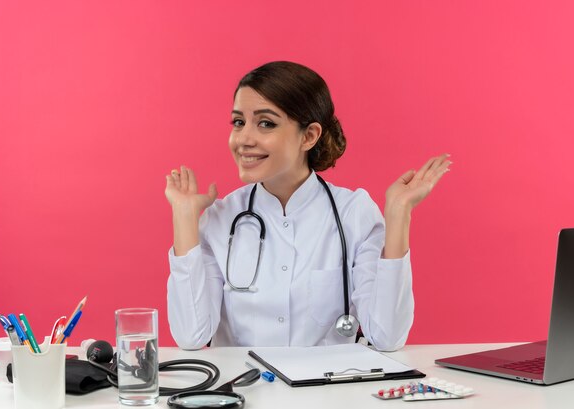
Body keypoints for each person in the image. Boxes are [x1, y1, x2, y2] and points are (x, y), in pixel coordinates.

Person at [165, 61, 451, 351]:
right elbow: (192, 336)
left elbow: (387, 337)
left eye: (266, 123)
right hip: (242, 390)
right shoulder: (221, 218)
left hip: (325, 393)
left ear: (309, 136)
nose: (244, 139)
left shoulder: (353, 214)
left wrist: (399, 215)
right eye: (239, 122)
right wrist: (184, 217)